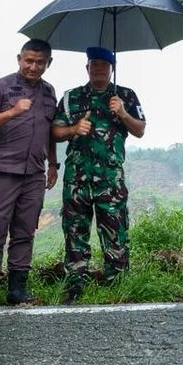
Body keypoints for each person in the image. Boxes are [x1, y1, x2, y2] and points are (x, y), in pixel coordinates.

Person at [51, 47, 146, 302]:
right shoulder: (72, 97)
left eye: (104, 65)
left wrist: (123, 113)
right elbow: (54, 132)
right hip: (77, 179)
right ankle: (75, 284)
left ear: (111, 68)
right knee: (75, 232)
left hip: (110, 180)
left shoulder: (125, 95)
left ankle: (117, 283)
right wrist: (73, 129)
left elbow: (140, 130)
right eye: (94, 65)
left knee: (115, 233)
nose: (99, 69)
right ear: (87, 68)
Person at [0, 38, 59, 306]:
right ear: (19, 58)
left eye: (40, 62)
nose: (33, 67)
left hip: (33, 172)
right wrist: (11, 111)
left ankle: (17, 289)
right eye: (28, 61)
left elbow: (49, 132)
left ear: (48, 63)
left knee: (25, 230)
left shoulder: (49, 92)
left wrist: (53, 164)